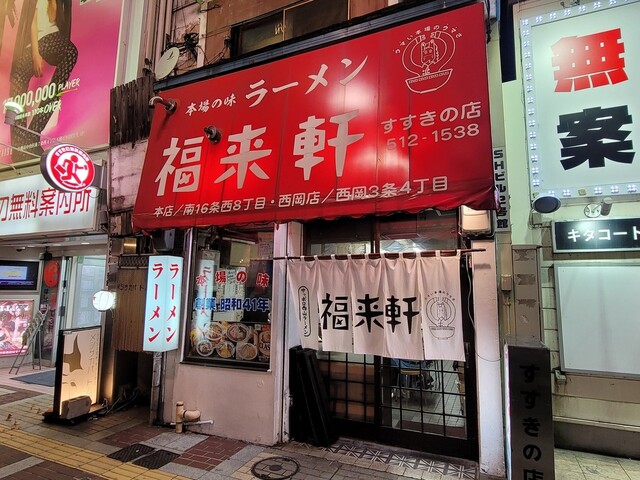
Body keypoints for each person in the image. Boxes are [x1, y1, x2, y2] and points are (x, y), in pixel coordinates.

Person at [9, 0, 76, 161]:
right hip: (33, 45)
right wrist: (35, 54)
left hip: (51, 39)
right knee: (17, 78)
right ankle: (19, 146)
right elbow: (31, 20)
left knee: (71, 52)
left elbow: (54, 18)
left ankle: (33, 133)